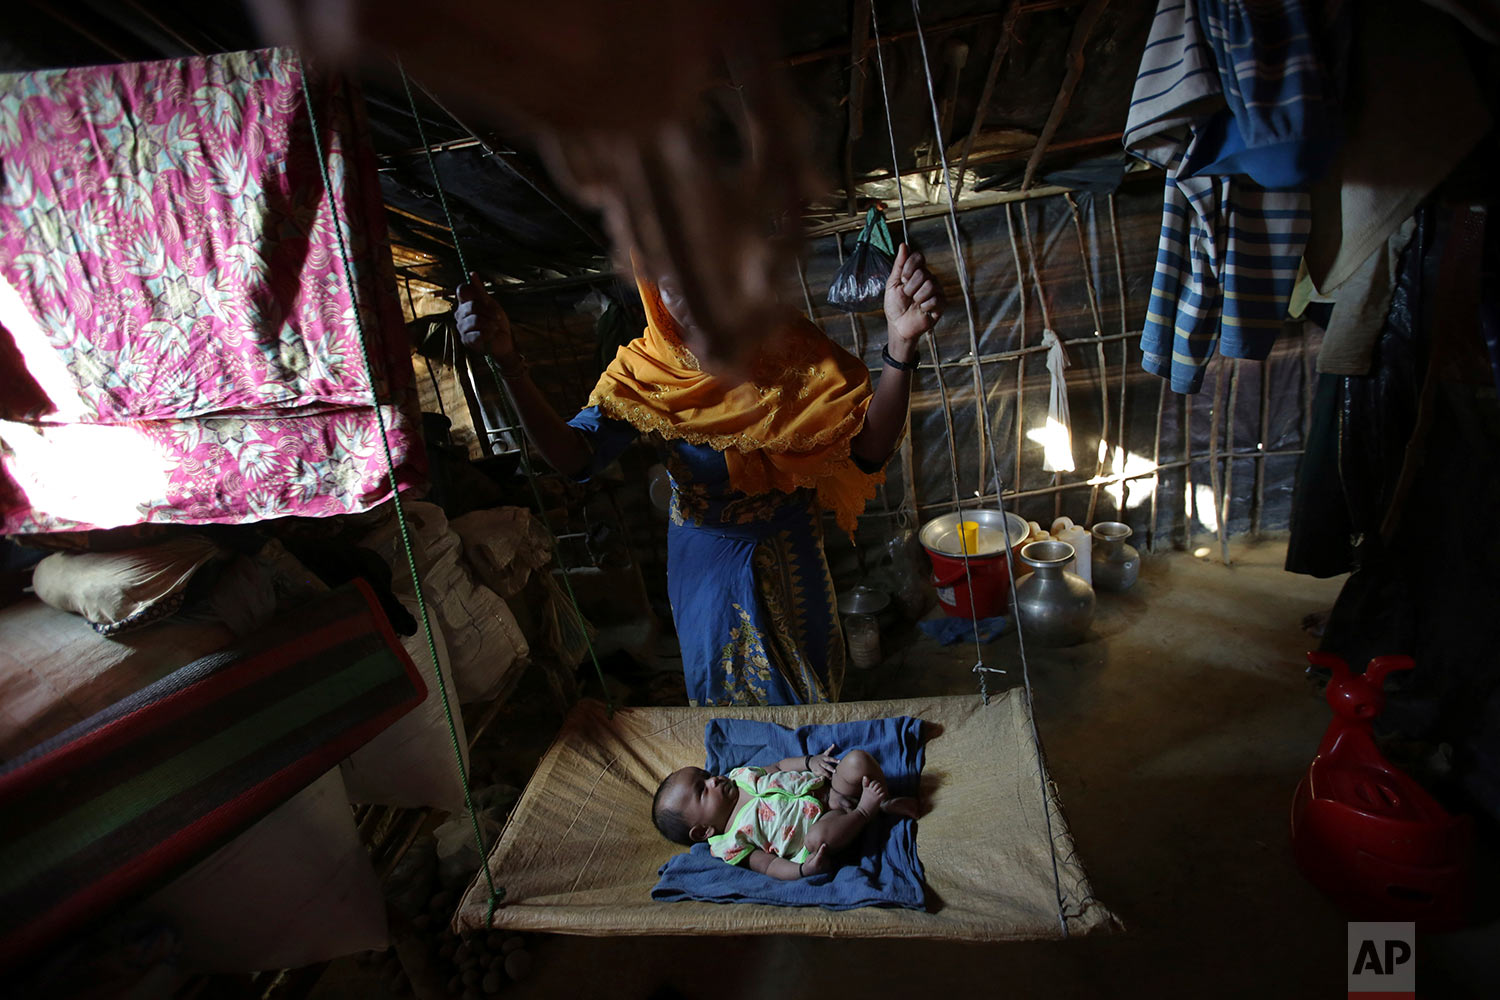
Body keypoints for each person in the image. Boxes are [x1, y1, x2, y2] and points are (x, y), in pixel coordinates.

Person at [456, 245, 943, 706]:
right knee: (728, 697)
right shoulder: (644, 370)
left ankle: (808, 789)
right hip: (707, 565)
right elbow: (576, 458)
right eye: (674, 285)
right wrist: (508, 362)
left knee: (811, 693)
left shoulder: (790, 347)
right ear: (653, 290)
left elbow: (866, 452)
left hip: (793, 552)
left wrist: (900, 342)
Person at [651, 746, 919, 880]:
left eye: (706, 775)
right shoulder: (730, 843)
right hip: (824, 824)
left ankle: (884, 800)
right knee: (817, 840)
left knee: (857, 760)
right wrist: (802, 870)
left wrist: (809, 762)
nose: (714, 780)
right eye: (702, 790)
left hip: (832, 791)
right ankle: (866, 811)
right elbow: (768, 865)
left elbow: (778, 766)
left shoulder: (740, 776)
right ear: (703, 831)